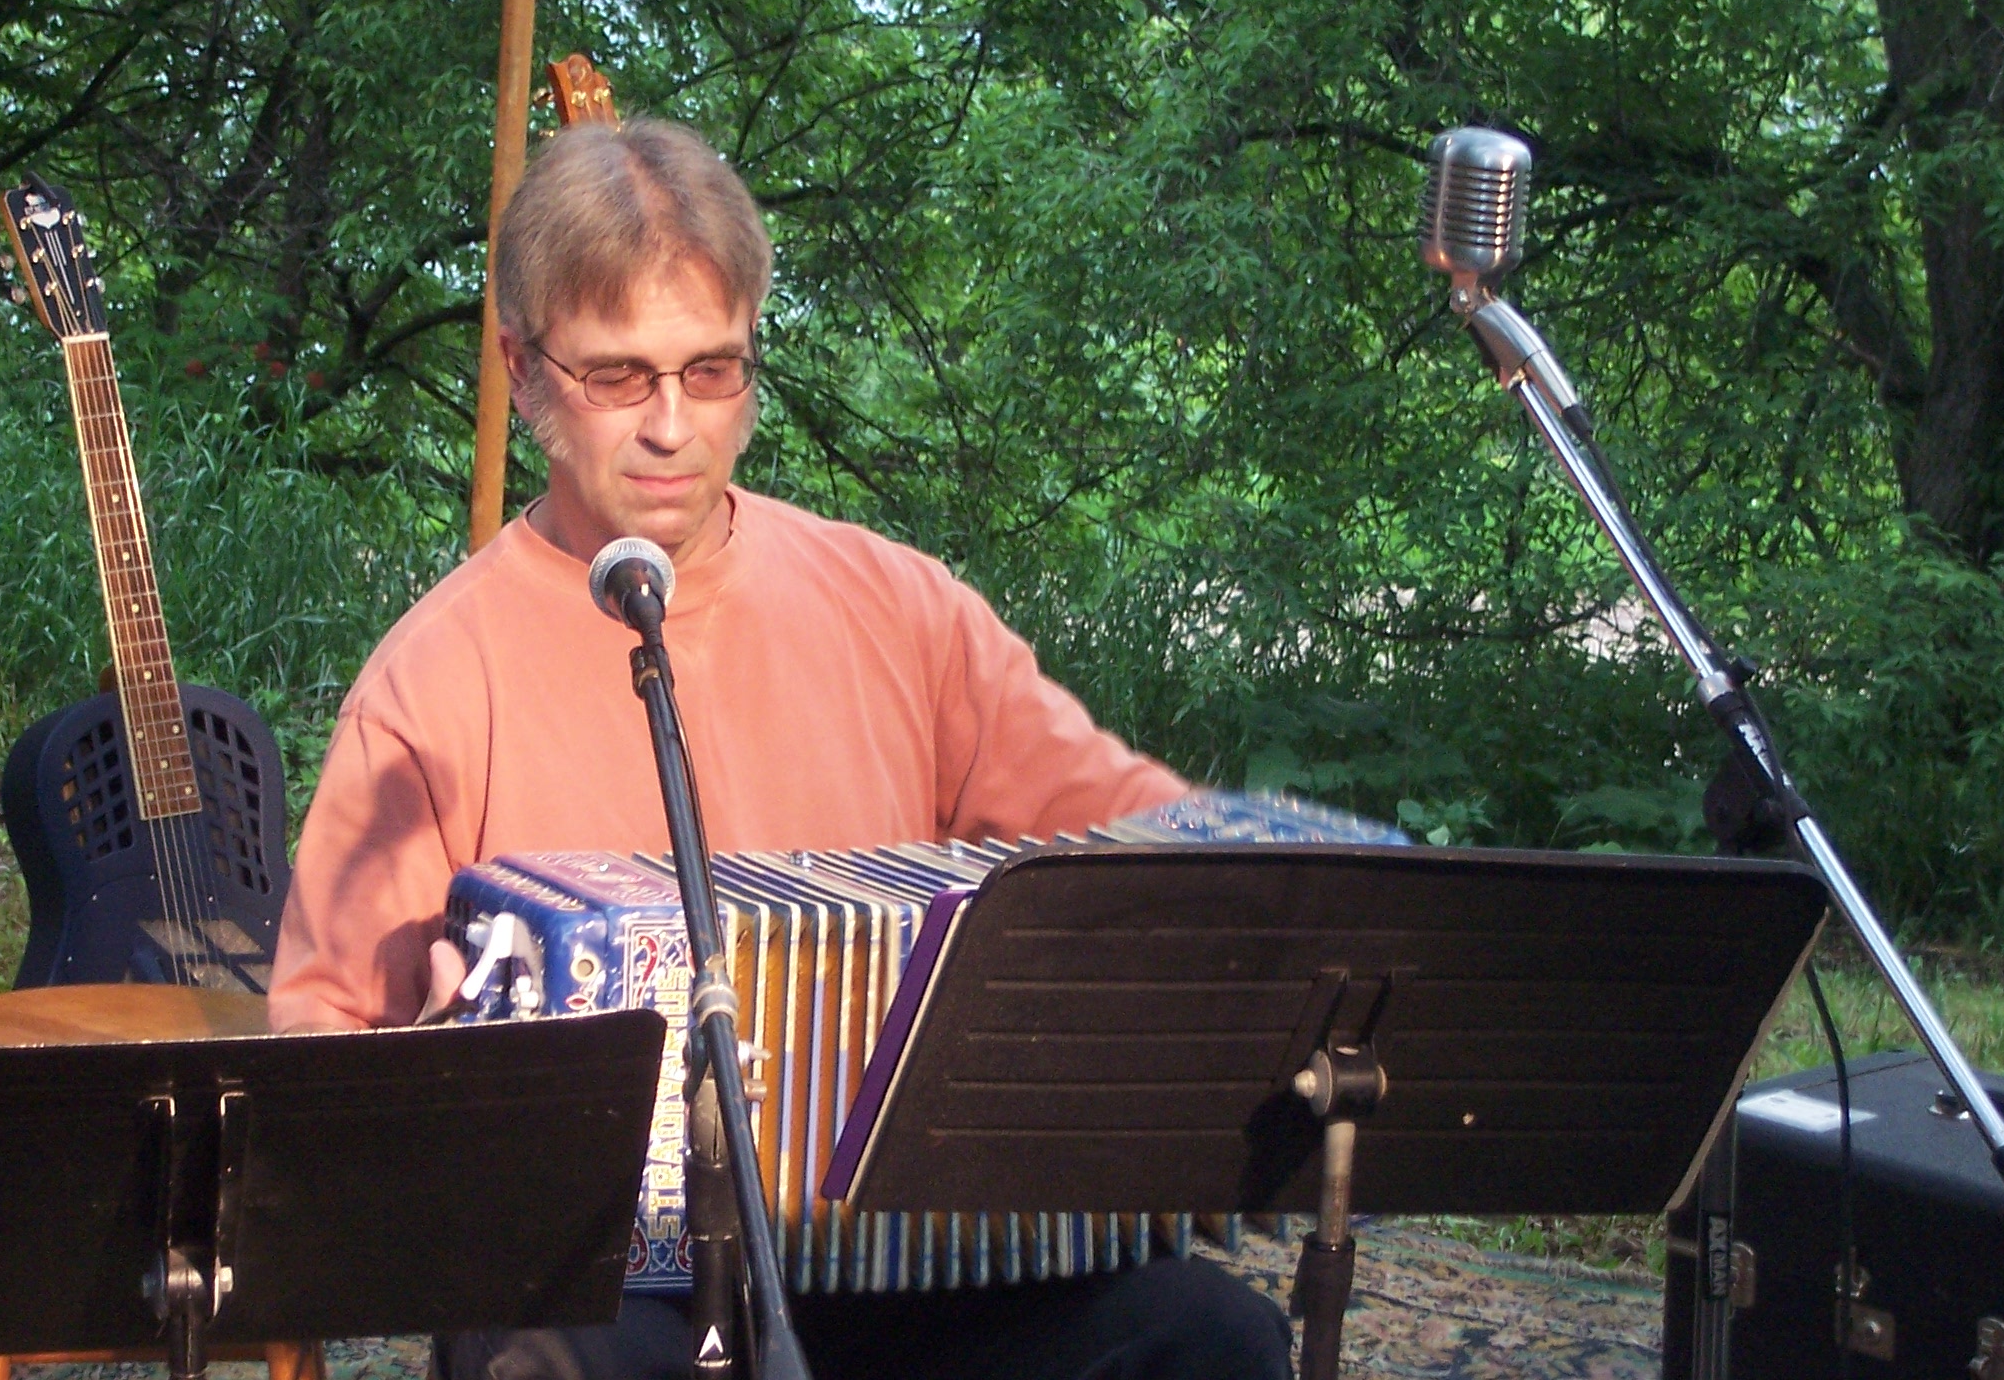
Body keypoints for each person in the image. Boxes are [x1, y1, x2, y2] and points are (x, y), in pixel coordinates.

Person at [269, 117, 1296, 1380]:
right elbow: (313, 1065)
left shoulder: (901, 608)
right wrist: (424, 1075)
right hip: (603, 1275)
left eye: (712, 371)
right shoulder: (429, 681)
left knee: (1210, 1339)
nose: (672, 427)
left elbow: (1145, 845)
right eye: (618, 377)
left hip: (906, 1261)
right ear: (522, 368)